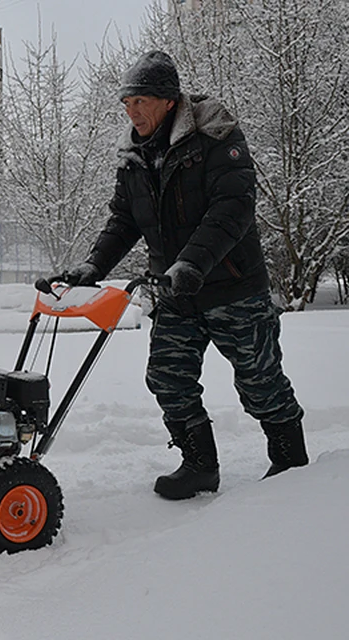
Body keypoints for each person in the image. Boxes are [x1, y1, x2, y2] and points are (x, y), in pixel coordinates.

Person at [64, 50, 308, 500]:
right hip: (176, 290)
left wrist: (193, 262)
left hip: (233, 286)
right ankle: (199, 465)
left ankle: (291, 462)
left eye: (140, 101)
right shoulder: (135, 156)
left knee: (259, 379)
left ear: (169, 100)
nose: (131, 111)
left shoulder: (217, 139)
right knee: (167, 376)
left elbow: (231, 210)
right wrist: (92, 267)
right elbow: (124, 220)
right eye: (126, 102)